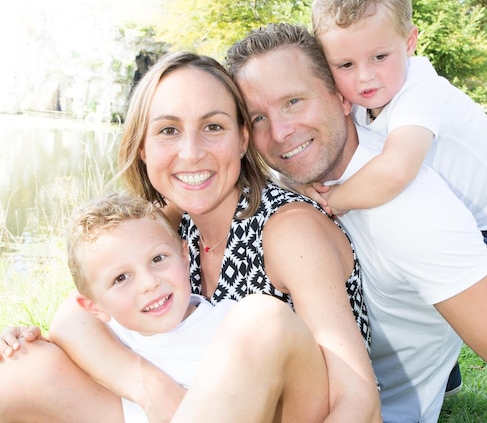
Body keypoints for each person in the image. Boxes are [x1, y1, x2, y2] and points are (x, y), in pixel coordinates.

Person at [224, 22, 487, 423]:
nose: (279, 132)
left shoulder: (410, 210)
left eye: (294, 102)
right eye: (258, 118)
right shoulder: (286, 176)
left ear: (342, 98)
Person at [0, 53, 381, 422]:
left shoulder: (287, 228)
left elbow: (359, 402)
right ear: (143, 149)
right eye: (169, 130)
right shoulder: (171, 221)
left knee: (262, 318)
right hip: (195, 406)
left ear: (243, 138)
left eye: (213, 126)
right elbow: (75, 317)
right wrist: (153, 390)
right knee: (22, 367)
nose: (191, 152)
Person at [308, 0, 487, 418]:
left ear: (410, 42)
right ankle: (448, 372)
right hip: (451, 212)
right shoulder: (368, 98)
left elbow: (396, 169)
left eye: (380, 56)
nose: (365, 77)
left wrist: (337, 200)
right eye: (345, 65)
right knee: (437, 286)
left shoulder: (421, 92)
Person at [66, 191, 240, 422]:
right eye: (121, 278)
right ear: (94, 307)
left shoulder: (231, 326)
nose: (149, 283)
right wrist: (15, 339)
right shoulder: (109, 340)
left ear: (184, 255)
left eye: (157, 259)